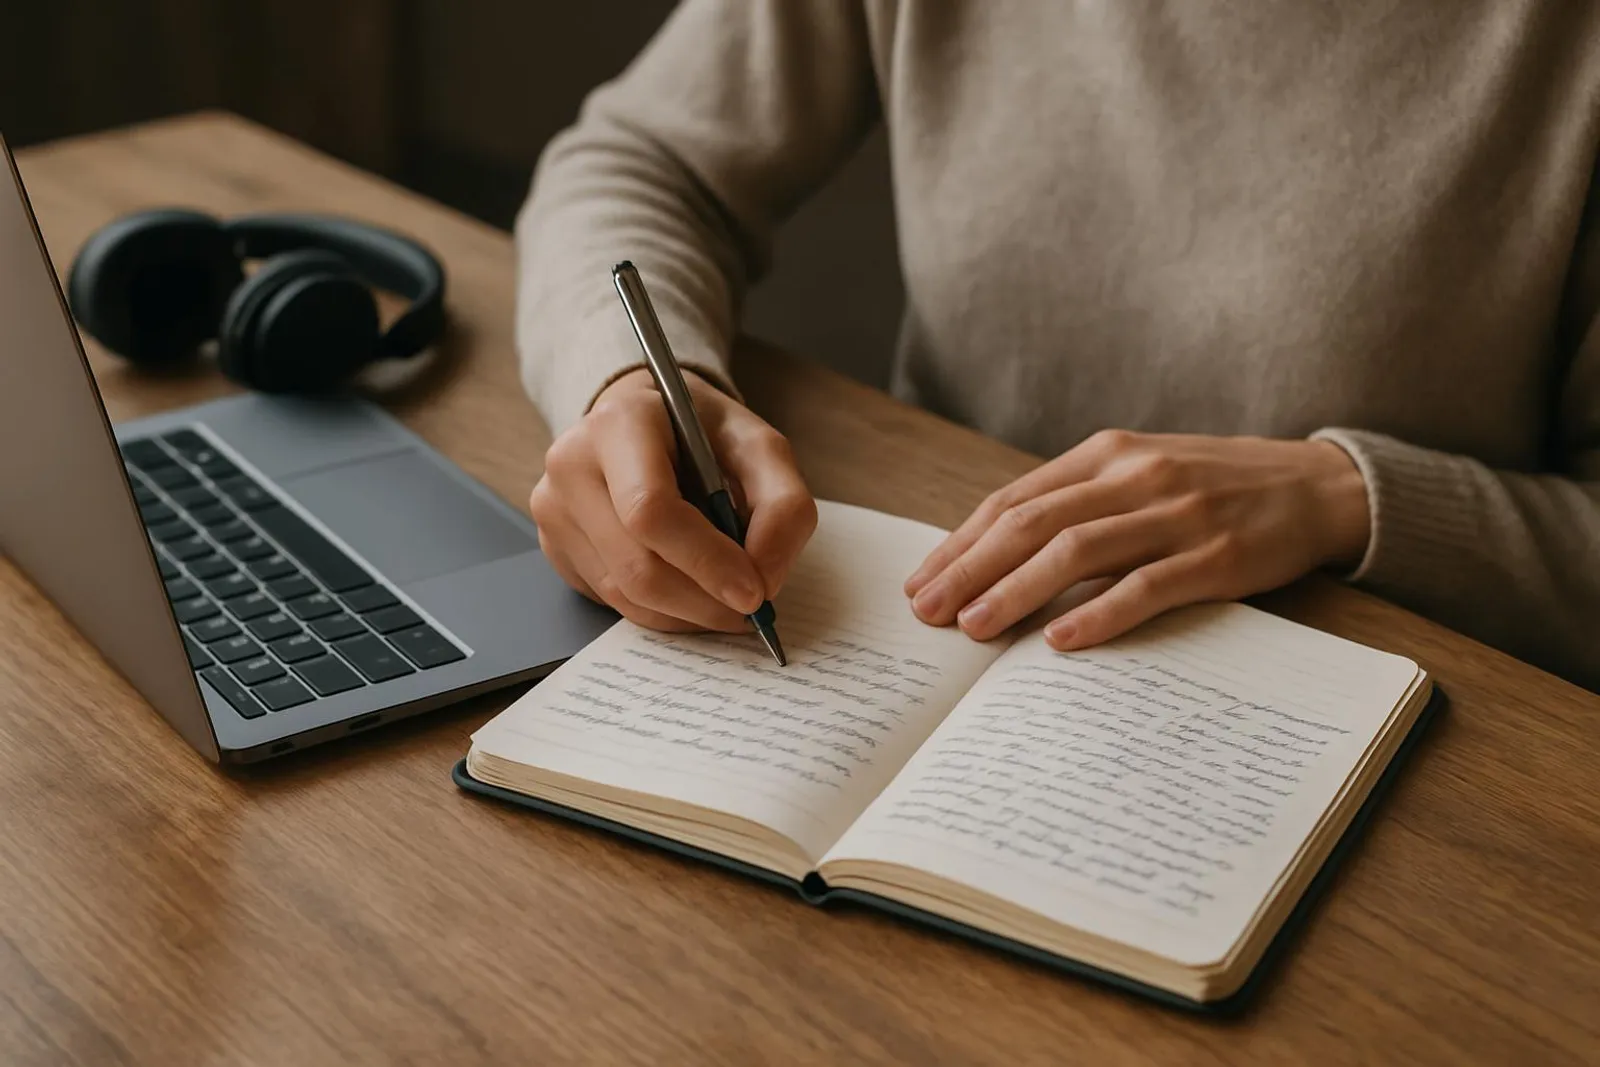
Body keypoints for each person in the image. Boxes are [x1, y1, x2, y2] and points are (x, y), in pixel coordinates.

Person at [514, 1, 1600, 690]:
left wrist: (1346, 498)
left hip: (1389, 709)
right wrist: (625, 380)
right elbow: (641, 160)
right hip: (929, 624)